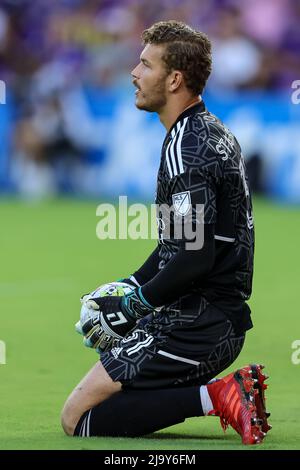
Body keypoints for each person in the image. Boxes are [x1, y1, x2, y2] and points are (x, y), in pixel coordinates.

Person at [61, 20, 271, 445]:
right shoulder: (205, 131)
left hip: (199, 322)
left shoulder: (186, 147)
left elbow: (195, 256)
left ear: (174, 79)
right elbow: (177, 244)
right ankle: (216, 394)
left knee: (79, 418)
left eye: (145, 64)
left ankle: (220, 396)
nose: (134, 74)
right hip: (210, 317)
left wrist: (133, 306)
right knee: (103, 400)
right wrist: (130, 285)